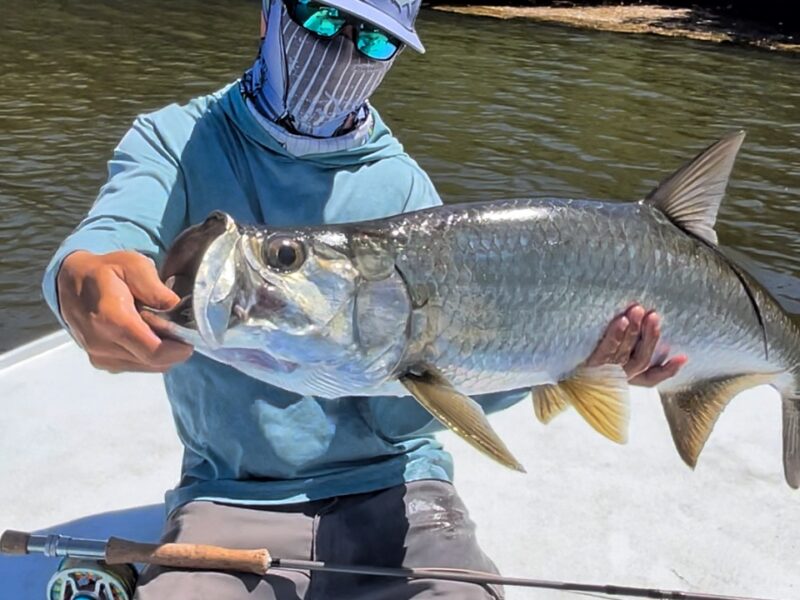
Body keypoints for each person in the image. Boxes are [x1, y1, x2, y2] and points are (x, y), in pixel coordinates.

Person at [42, 0, 686, 597]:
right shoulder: (177, 140)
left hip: (398, 485)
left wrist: (576, 357)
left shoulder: (405, 191)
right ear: (269, 13)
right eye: (322, 20)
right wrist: (78, 277)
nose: (343, 51)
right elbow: (113, 232)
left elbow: (408, 410)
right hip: (231, 493)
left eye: (375, 39)